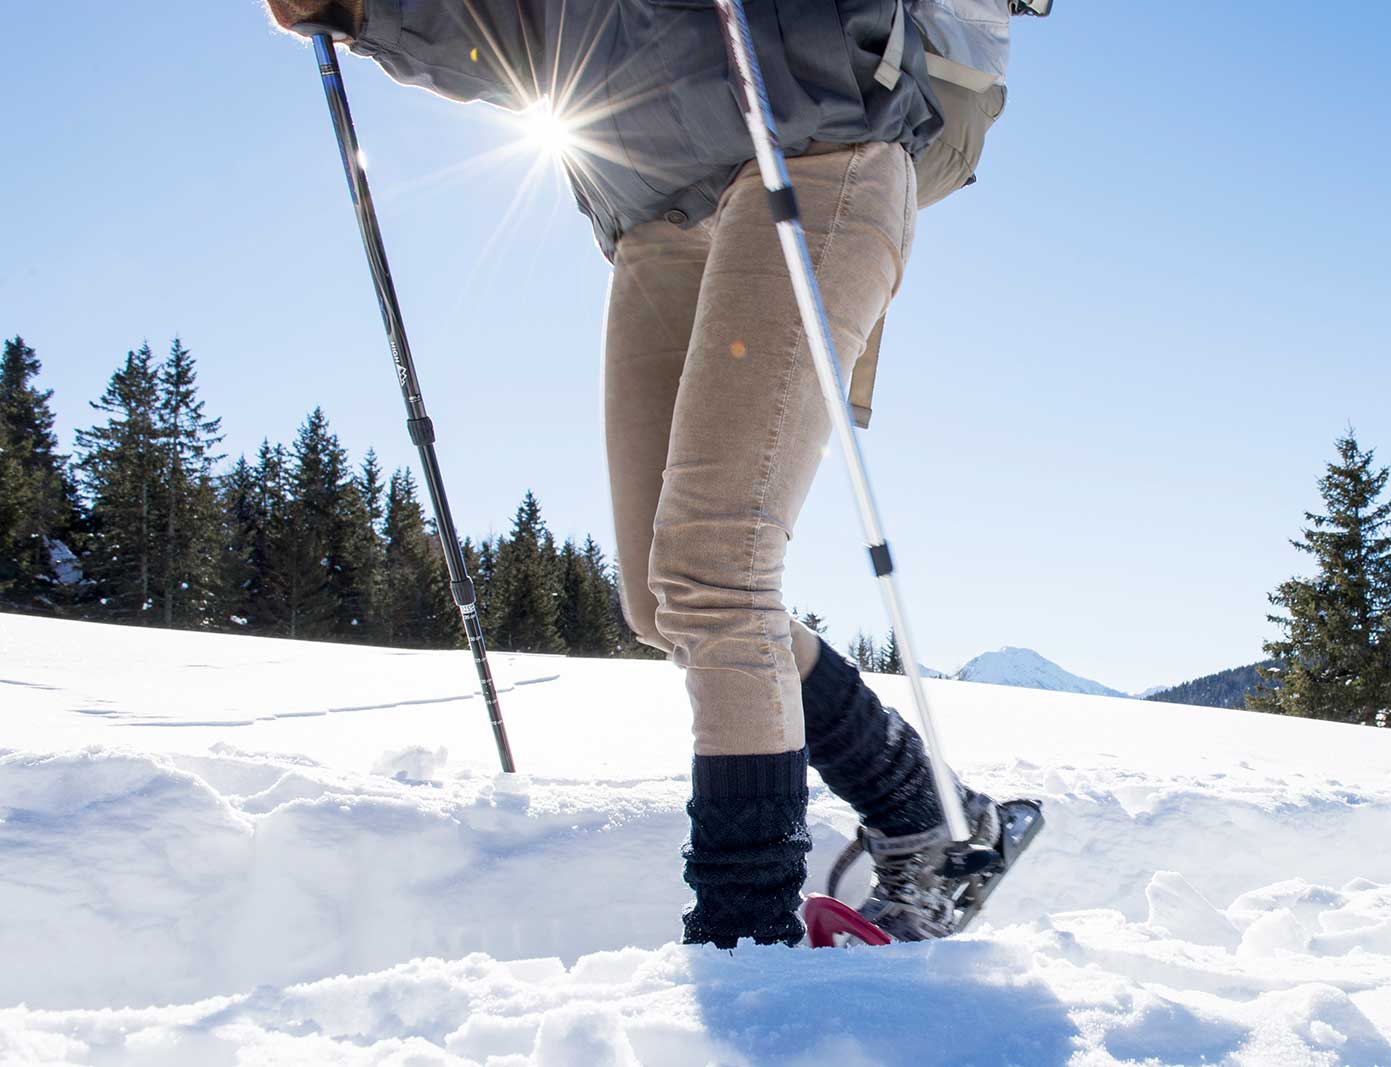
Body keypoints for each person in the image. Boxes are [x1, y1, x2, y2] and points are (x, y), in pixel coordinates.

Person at [265, 0, 1003, 948]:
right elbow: (529, 38)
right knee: (665, 603)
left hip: (814, 142)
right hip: (651, 213)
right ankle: (931, 814)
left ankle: (747, 951)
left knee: (715, 573)